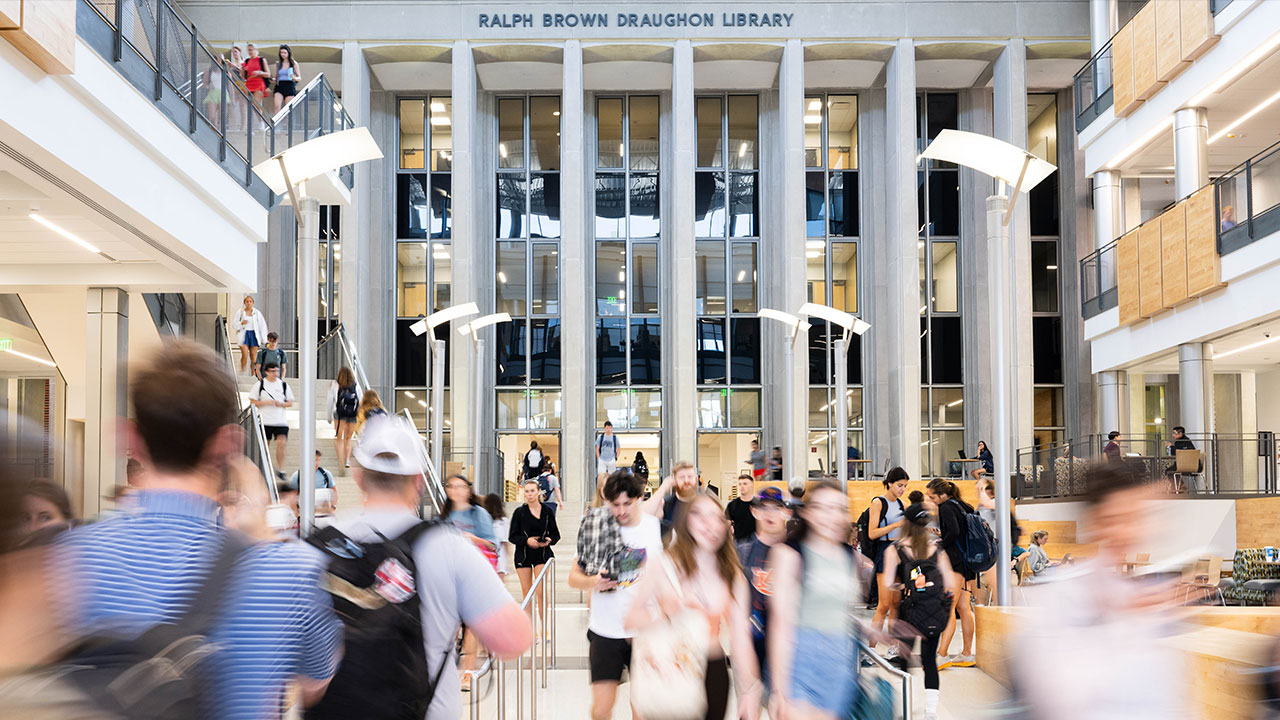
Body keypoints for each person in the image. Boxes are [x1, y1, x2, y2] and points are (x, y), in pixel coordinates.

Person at [50, 341, 341, 719]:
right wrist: (268, 534)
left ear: (130, 441)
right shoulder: (290, 570)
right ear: (229, 445)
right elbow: (315, 681)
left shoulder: (65, 559)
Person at [314, 415, 531, 719]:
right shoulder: (449, 547)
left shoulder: (318, 546)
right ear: (418, 481)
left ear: (359, 476)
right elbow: (514, 639)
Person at [1009, 462, 1191, 718]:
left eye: (1134, 518)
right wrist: (1122, 620)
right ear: (1094, 523)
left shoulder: (1143, 600)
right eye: (1115, 519)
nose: (1126, 531)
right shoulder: (1067, 594)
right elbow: (1060, 695)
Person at [625, 492, 763, 720]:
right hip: (671, 668)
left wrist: (750, 690)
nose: (709, 525)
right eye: (699, 515)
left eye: (716, 518)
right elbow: (630, 619)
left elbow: (741, 640)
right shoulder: (663, 564)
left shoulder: (732, 575)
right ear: (685, 521)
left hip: (713, 672)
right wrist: (664, 614)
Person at [569, 469, 667, 720]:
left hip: (644, 632)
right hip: (606, 631)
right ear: (606, 501)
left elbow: (661, 577)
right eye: (615, 505)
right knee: (602, 709)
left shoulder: (653, 527)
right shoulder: (596, 527)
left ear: (638, 499)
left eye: (627, 503)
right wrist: (593, 582)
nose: (621, 511)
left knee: (642, 708)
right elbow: (573, 578)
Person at [767, 480, 862, 720]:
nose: (831, 516)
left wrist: (874, 632)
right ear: (808, 513)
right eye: (823, 508)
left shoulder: (848, 556)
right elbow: (780, 625)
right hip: (801, 661)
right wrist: (779, 690)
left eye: (839, 509)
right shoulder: (789, 554)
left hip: (841, 664)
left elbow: (841, 611)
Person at [881, 503, 959, 720]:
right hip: (933, 614)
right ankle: (931, 711)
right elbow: (950, 582)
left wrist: (907, 586)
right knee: (929, 661)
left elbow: (888, 583)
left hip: (907, 613)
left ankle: (906, 708)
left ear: (906, 522)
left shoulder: (895, 549)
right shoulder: (938, 550)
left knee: (904, 660)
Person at [442, 473, 498, 689]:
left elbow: (493, 546)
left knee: (472, 626)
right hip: (450, 575)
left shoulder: (479, 514)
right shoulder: (444, 516)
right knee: (449, 626)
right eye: (451, 486)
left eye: (461, 486)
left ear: (468, 490)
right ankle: (447, 671)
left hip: (474, 576)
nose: (456, 490)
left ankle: (467, 672)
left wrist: (471, 539)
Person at [737, 486, 791, 697]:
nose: (770, 514)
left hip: (786, 646)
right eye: (764, 508)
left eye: (776, 508)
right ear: (755, 511)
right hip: (750, 645)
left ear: (786, 513)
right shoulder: (742, 552)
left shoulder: (795, 551)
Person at [926, 478, 977, 669]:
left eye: (932, 497)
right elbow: (962, 533)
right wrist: (943, 535)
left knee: (948, 608)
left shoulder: (946, 507)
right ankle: (966, 653)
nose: (932, 501)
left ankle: (942, 655)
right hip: (968, 563)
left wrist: (940, 543)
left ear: (941, 494)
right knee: (964, 608)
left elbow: (954, 532)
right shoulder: (964, 505)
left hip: (955, 563)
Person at [509, 478, 560, 635]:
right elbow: (512, 536)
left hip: (542, 553)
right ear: (524, 493)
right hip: (523, 554)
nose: (530, 494)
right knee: (527, 592)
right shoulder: (519, 512)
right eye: (527, 491)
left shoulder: (547, 512)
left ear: (538, 492)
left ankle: (544, 627)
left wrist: (549, 540)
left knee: (540, 591)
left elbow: (556, 534)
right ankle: (530, 629)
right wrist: (527, 540)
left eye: (532, 490)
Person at [868, 467, 909, 658]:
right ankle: (871, 649)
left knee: (896, 605)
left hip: (900, 553)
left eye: (905, 486)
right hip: (885, 552)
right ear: (890, 483)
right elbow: (872, 533)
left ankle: (893, 647)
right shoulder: (878, 502)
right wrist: (895, 525)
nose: (902, 489)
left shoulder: (901, 504)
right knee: (883, 605)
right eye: (900, 485)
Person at [250, 361, 294, 468]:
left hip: (281, 421)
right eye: (272, 371)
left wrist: (281, 404)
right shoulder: (260, 385)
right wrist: (265, 402)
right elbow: (252, 402)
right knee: (265, 446)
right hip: (265, 420)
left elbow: (290, 402)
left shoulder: (283, 385)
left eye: (277, 371)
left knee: (281, 444)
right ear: (266, 372)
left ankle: (281, 469)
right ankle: (265, 468)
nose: (275, 373)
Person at [654, 461, 700, 543]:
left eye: (690, 477)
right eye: (681, 477)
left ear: (696, 479)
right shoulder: (665, 504)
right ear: (674, 480)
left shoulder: (705, 504)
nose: (686, 481)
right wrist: (663, 488)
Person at [288, 450, 337, 515]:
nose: (317, 463)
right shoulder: (297, 475)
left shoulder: (326, 474)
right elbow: (292, 497)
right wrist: (296, 514)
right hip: (304, 513)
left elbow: (334, 491)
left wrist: (333, 507)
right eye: (315, 460)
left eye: (318, 460)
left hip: (322, 513)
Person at [330, 366, 360, 468]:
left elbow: (330, 401)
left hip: (339, 414)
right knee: (348, 438)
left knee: (339, 438)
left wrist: (329, 417)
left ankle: (341, 461)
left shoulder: (335, 384)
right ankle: (347, 460)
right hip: (352, 415)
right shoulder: (355, 385)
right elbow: (360, 399)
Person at [233, 294, 268, 375]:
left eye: (250, 301)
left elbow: (262, 326)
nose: (249, 303)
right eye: (247, 301)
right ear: (244, 303)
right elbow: (234, 324)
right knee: (244, 354)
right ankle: (242, 372)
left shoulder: (257, 313)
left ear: (253, 303)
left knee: (253, 356)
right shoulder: (240, 312)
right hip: (244, 335)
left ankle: (253, 374)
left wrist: (264, 340)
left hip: (254, 335)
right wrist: (241, 323)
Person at [483, 493, 511, 577]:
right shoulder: (503, 521)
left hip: (487, 554)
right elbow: (505, 541)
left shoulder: (484, 520)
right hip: (500, 555)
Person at [726, 473, 756, 542]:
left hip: (755, 544)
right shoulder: (732, 505)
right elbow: (726, 525)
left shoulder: (758, 504)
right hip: (738, 544)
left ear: (752, 486)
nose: (742, 486)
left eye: (745, 484)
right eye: (740, 484)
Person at [242, 43, 271, 115]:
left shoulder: (261, 59)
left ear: (255, 50)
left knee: (256, 105)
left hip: (258, 83)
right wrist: (242, 70)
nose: (249, 52)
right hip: (249, 83)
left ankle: (261, 122)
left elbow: (268, 74)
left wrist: (259, 73)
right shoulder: (247, 61)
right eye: (248, 50)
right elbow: (243, 76)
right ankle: (249, 123)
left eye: (251, 50)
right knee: (246, 105)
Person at [273, 44, 301, 113]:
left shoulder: (294, 63)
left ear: (288, 53)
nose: (283, 54)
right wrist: (273, 79)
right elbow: (275, 76)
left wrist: (294, 78)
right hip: (280, 85)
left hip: (289, 85)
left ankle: (288, 123)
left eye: (284, 52)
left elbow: (299, 77)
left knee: (288, 108)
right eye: (281, 52)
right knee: (277, 105)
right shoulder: (278, 64)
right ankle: (276, 123)